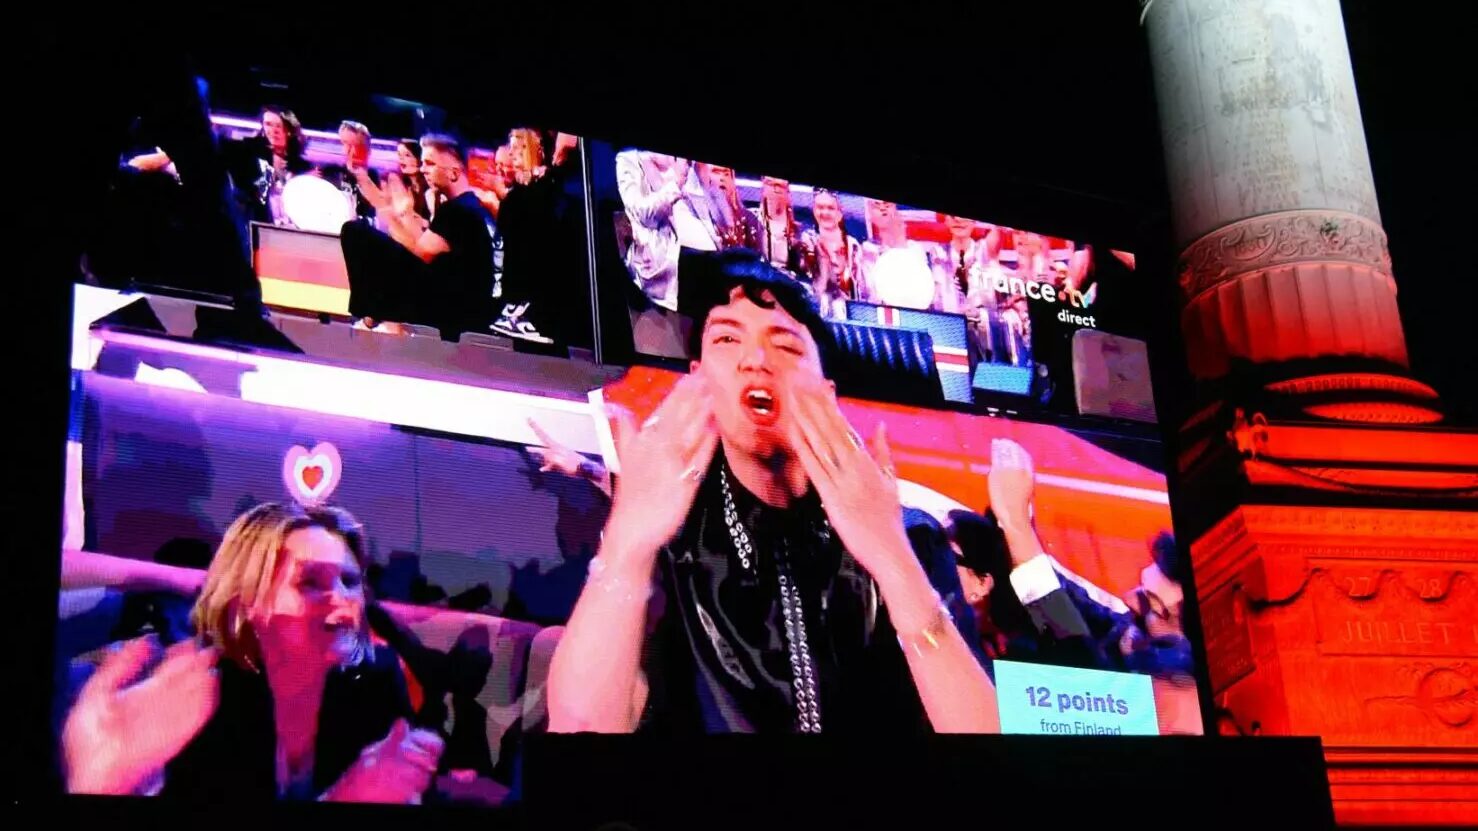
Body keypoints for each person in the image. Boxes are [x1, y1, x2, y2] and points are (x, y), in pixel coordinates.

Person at [547, 250, 1000, 734]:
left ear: (827, 393)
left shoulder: (911, 536)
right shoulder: (670, 538)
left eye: (785, 346)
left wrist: (893, 559)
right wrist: (626, 547)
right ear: (697, 378)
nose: (756, 360)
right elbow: (579, 728)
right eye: (727, 339)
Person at [61, 503, 444, 802]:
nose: (342, 599)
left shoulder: (377, 682)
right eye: (310, 581)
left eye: (349, 581)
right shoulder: (193, 696)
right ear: (246, 603)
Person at [947, 439, 1155, 673]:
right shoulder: (1116, 630)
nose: (1129, 599)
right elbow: (1067, 603)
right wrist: (1015, 527)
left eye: (1156, 607)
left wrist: (1016, 522)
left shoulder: (1020, 659)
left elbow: (1075, 652)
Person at [339, 134, 498, 339]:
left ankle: (370, 317)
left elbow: (419, 253)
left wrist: (388, 212)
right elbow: (421, 246)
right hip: (461, 301)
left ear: (454, 172)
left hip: (453, 309)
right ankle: (373, 316)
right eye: (423, 163)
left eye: (430, 164)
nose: (423, 169)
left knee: (355, 233)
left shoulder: (458, 211)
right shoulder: (469, 205)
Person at [491, 130, 587, 346]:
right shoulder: (515, 197)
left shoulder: (548, 193)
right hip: (516, 300)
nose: (512, 154)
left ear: (538, 150)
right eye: (511, 147)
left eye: (520, 147)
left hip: (545, 307)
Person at [615, 149, 721, 311]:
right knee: (713, 272)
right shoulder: (629, 159)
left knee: (742, 263)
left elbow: (710, 208)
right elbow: (643, 214)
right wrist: (676, 182)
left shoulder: (684, 161)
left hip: (708, 249)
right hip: (669, 254)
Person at [859, 199, 950, 311]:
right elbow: (870, 292)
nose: (883, 208)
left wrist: (900, 241)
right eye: (876, 205)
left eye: (887, 204)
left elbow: (917, 288)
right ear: (869, 213)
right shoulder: (865, 250)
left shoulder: (914, 248)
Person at [799, 188, 865, 319]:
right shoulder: (809, 240)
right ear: (814, 210)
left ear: (839, 212)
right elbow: (809, 285)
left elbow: (859, 288)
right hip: (818, 309)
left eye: (830, 208)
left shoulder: (853, 245)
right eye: (820, 207)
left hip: (850, 312)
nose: (825, 213)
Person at [696, 162, 762, 253]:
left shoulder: (748, 218)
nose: (722, 178)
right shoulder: (699, 215)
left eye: (726, 174)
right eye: (716, 172)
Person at [752, 176, 805, 274]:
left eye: (781, 186)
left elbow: (803, 268)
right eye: (770, 183)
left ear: (787, 191)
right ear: (763, 187)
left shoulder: (799, 230)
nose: (776, 189)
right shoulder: (751, 220)